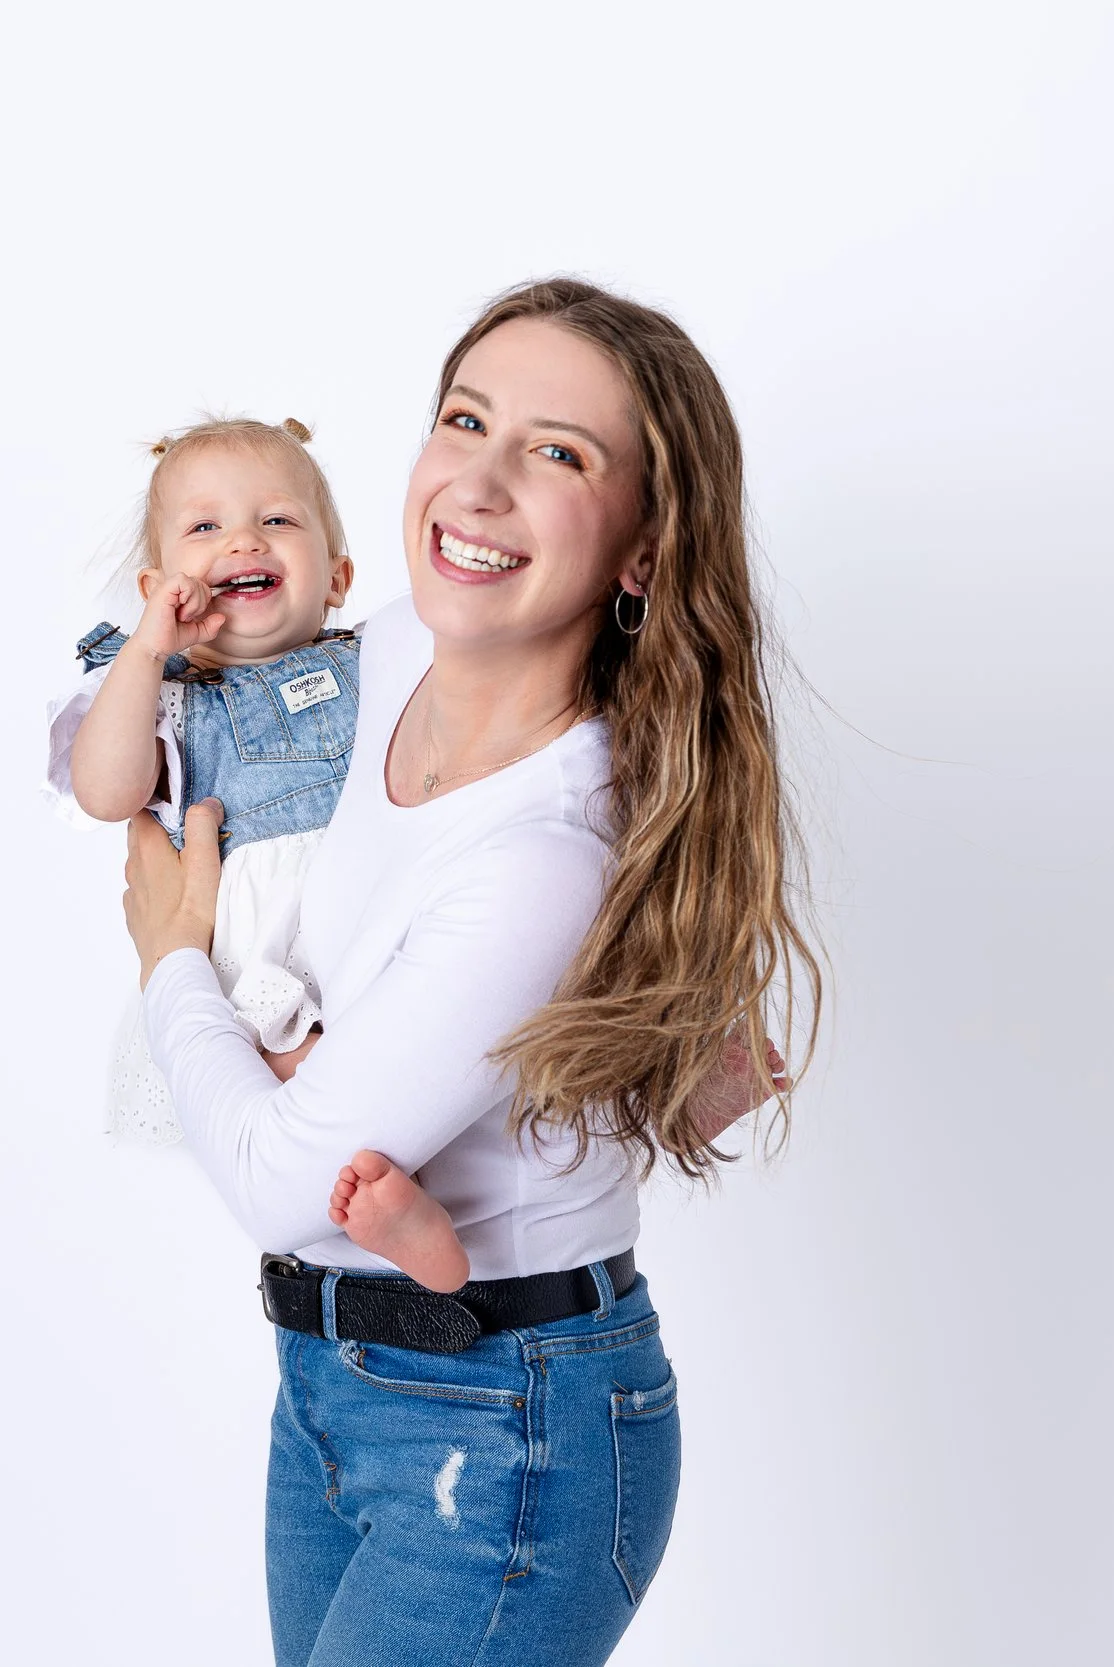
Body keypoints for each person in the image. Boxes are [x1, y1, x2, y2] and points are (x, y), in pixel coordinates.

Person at [120, 277, 821, 1666]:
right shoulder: (379, 660)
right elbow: (175, 728)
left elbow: (277, 1170)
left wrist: (167, 957)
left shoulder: (544, 854)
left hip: (499, 1425)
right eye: (465, 419)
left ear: (639, 549)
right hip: (329, 1377)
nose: (478, 482)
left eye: (559, 452)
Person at [46, 414, 478, 1291]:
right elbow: (106, 790)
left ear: (338, 578)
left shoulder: (382, 661)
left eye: (277, 520)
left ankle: (678, 1080)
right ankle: (400, 1213)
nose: (242, 537)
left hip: (381, 917)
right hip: (261, 957)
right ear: (156, 585)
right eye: (204, 527)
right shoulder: (163, 695)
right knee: (311, 1070)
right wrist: (145, 651)